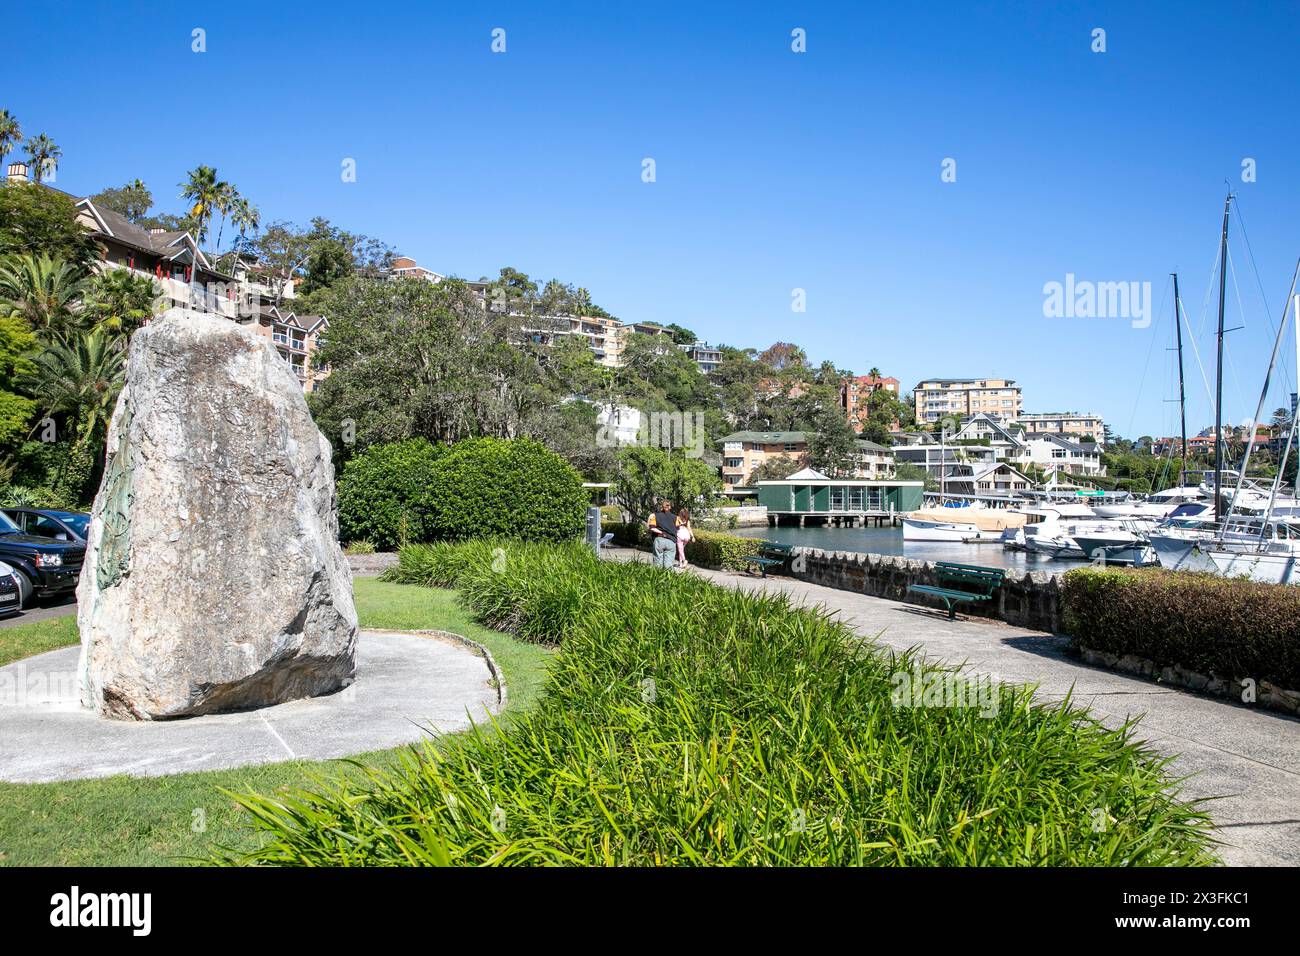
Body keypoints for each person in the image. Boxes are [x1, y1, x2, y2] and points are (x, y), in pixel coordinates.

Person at [647, 499, 678, 570]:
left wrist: (661, 532)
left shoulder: (655, 516)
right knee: (669, 565)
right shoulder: (676, 518)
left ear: (662, 506)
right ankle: (668, 578)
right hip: (671, 541)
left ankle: (657, 578)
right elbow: (677, 529)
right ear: (670, 507)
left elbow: (652, 528)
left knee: (657, 564)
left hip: (659, 540)